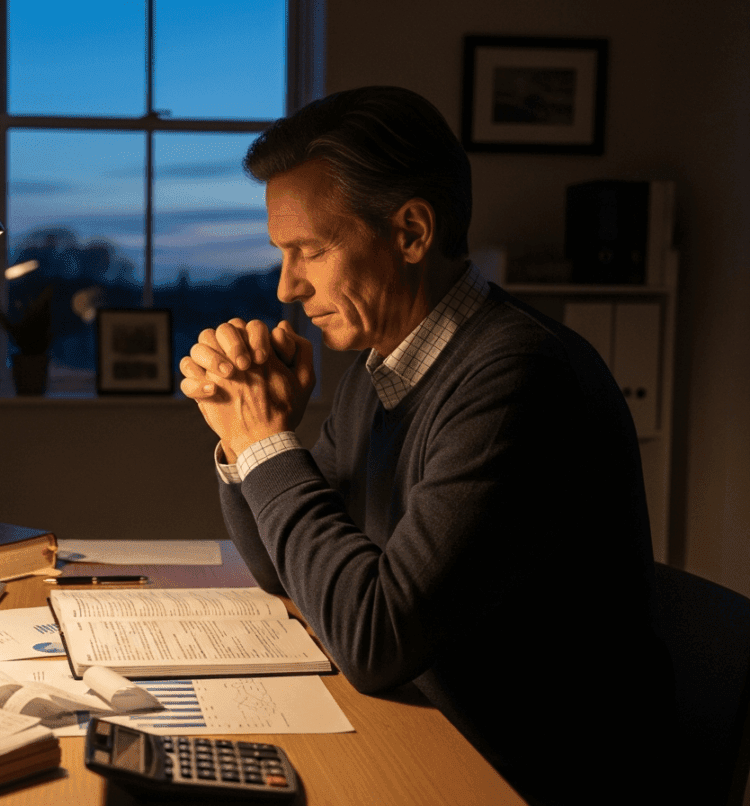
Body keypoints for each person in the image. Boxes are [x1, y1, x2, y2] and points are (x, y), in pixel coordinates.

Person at [179, 86, 676, 805]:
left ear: (411, 232)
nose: (287, 287)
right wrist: (243, 437)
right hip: (437, 732)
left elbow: (374, 641)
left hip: (533, 775)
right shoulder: (382, 368)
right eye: (283, 255)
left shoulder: (517, 377)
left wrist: (268, 442)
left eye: (310, 250)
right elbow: (283, 570)